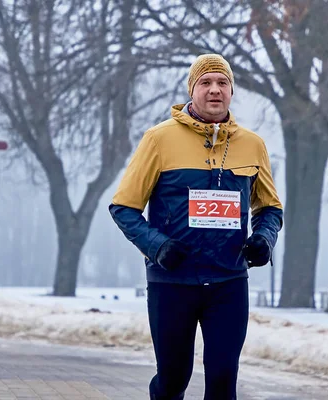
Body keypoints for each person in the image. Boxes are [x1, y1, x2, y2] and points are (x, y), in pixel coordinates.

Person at [108, 53, 283, 400]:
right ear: (193, 90)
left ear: (231, 91)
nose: (214, 90)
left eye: (222, 83)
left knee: (222, 379)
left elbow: (270, 208)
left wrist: (264, 238)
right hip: (173, 283)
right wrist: (157, 246)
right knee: (173, 379)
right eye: (206, 83)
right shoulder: (159, 139)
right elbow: (123, 207)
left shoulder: (253, 145)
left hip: (228, 282)